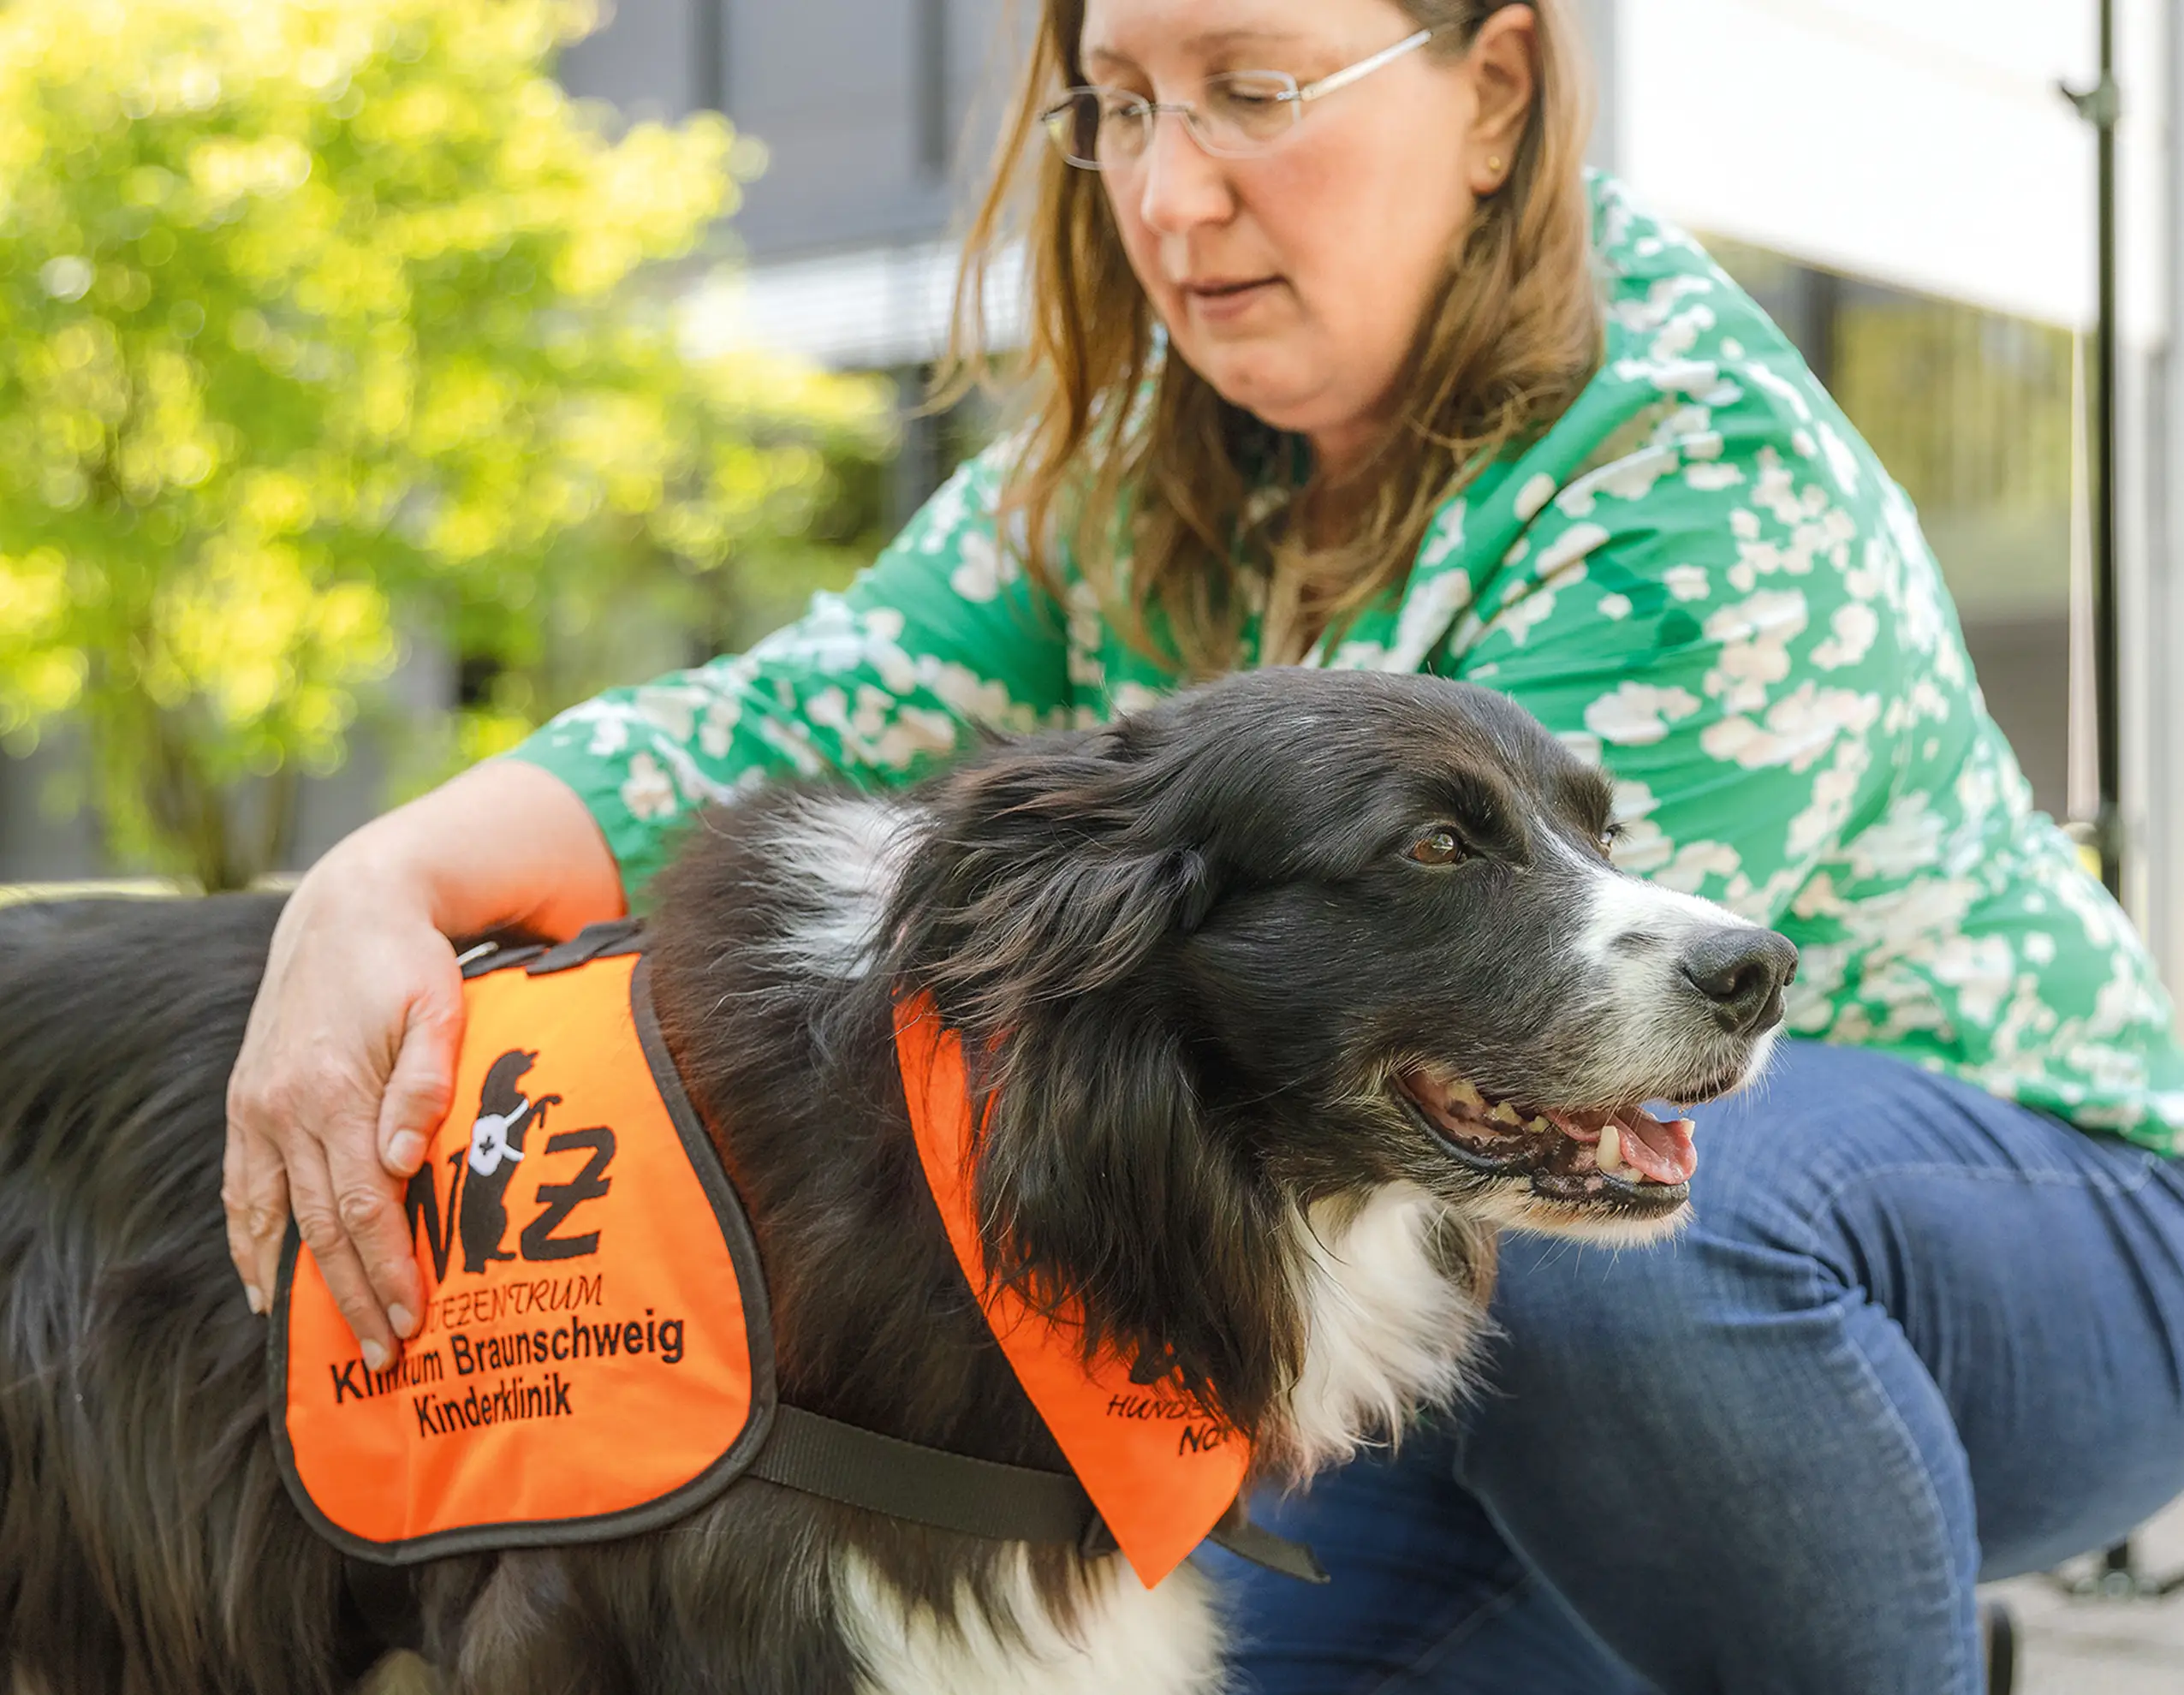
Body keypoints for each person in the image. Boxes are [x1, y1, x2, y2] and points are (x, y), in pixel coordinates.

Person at [224, 1, 2184, 1688]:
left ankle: (1840, 1617)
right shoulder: (1135, 451)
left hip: (2007, 1241)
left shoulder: (1697, 474)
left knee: (1609, 1244)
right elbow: (786, 713)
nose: (1168, 194)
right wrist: (382, 879)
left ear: (1496, 90)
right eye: (1121, 107)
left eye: (1254, 87)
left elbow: (1549, 1066)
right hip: (1463, 1343)